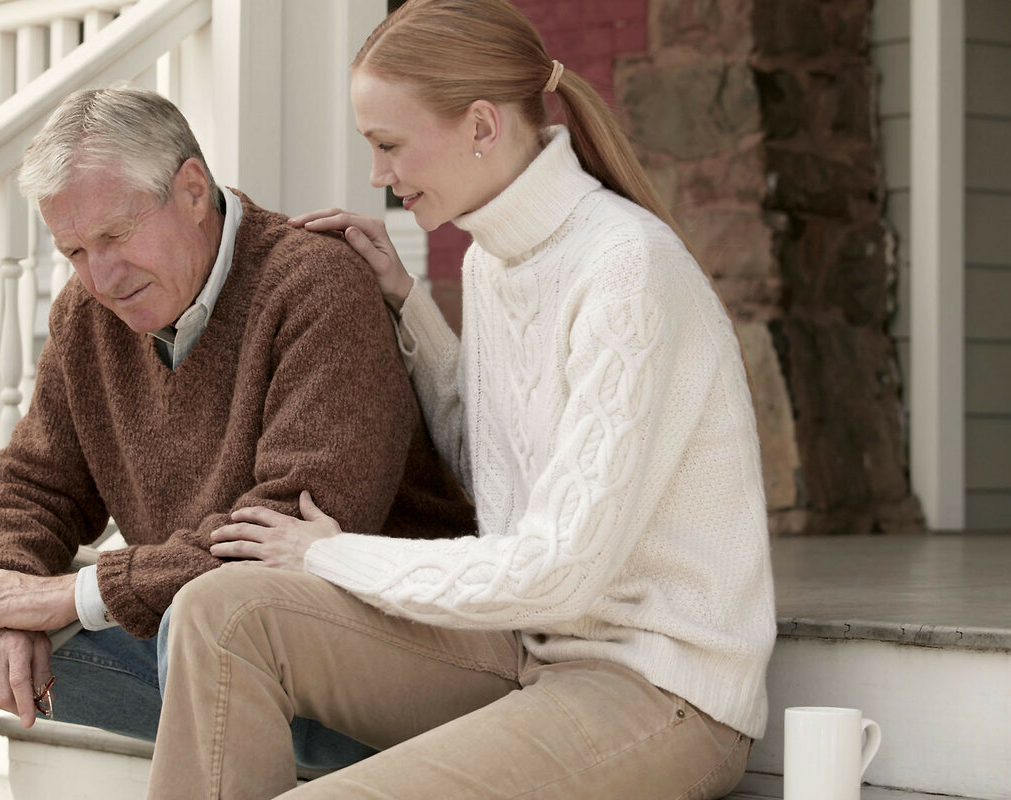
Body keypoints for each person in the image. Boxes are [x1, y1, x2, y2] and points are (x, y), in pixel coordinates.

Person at [146, 0, 777, 798]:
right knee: (220, 613)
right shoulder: (493, 262)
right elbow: (499, 469)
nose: (378, 175)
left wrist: (329, 553)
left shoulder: (625, 268)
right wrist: (409, 305)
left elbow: (558, 570)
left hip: (659, 692)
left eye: (389, 145)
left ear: (482, 124)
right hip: (523, 646)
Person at [0, 86, 475, 799]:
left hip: (365, 674)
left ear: (193, 191)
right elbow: (31, 485)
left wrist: (79, 594)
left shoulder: (316, 285)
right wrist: (0, 598)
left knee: (206, 615)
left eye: (114, 236)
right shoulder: (89, 315)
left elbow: (287, 533)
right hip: (193, 652)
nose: (99, 276)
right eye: (74, 249)